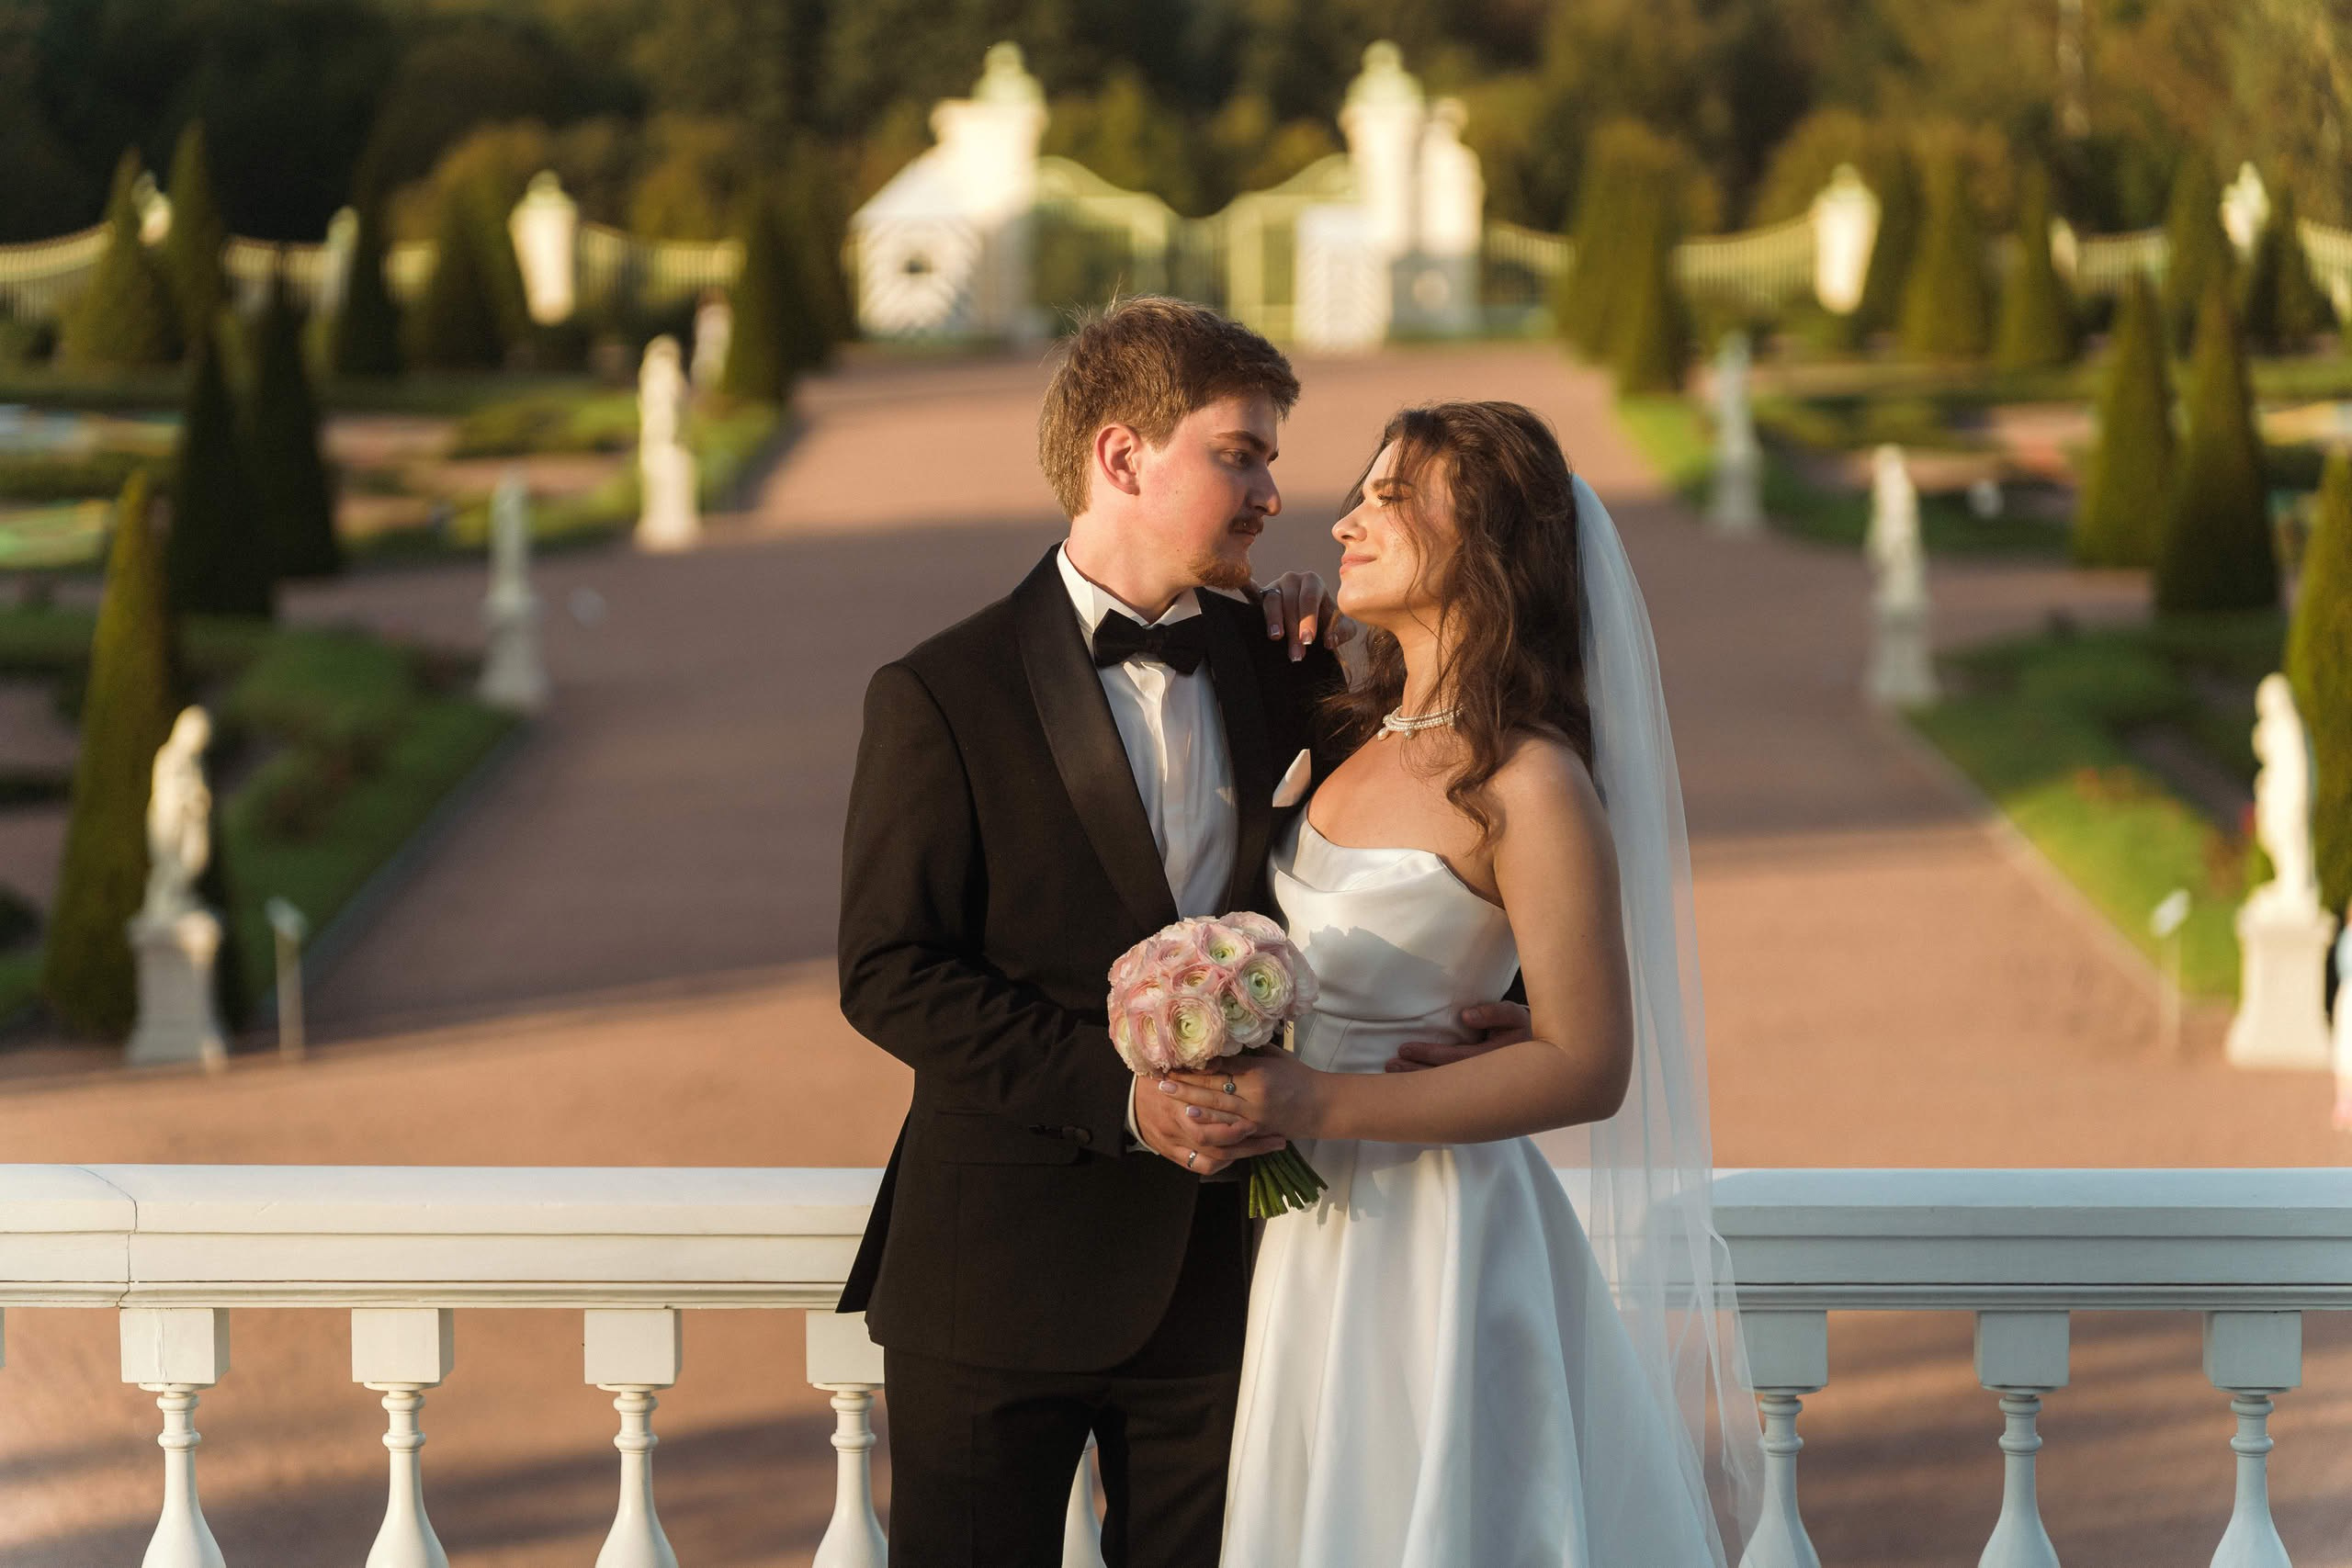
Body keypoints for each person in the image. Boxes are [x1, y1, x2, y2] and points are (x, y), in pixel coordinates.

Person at [834, 299, 1524, 1567]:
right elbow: (889, 972)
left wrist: (1503, 994)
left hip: (1230, 1284)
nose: (1274, 490)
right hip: (992, 1277)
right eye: (1241, 453)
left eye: (1270, 456)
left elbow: (1420, 847)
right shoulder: (941, 691)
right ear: (1122, 457)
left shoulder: (1293, 664)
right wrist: (1124, 1095)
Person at [1159, 401, 1766, 1565]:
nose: (1345, 519)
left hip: (1436, 1243)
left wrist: (1310, 1103)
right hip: (1308, 1232)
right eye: (1363, 491)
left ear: (1488, 541)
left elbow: (1590, 1063)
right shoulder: (1354, 730)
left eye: (1392, 496)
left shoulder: (1529, 779)